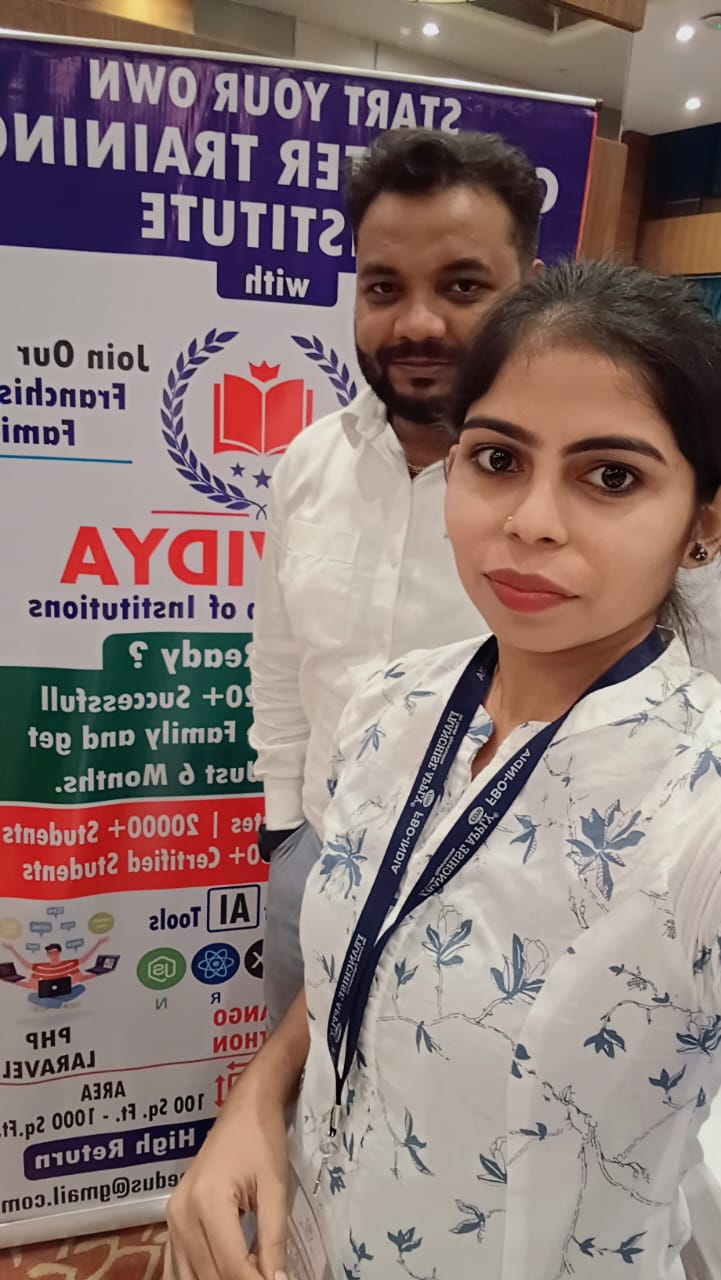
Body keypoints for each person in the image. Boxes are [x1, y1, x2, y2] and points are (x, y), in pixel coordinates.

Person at [166, 260, 721, 1280]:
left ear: (704, 522)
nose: (532, 519)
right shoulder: (392, 704)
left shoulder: (696, 809)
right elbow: (366, 951)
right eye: (498, 458)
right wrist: (253, 1103)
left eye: (610, 476)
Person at [250, 127, 544, 1027]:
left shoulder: (583, 494)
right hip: (317, 862)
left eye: (461, 286)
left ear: (528, 289)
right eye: (383, 287)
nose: (417, 323)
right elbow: (282, 659)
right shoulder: (308, 463)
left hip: (505, 902)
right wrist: (283, 825)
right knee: (297, 1099)